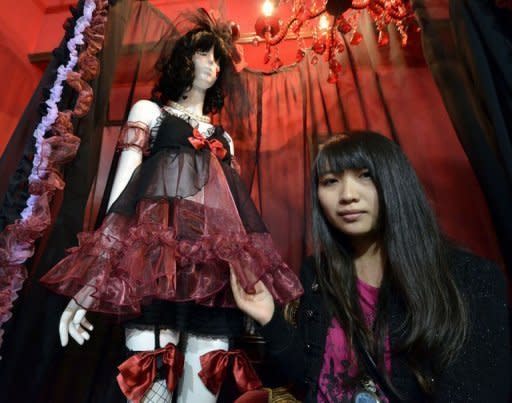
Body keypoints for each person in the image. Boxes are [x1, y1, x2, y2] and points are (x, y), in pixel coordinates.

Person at [40, 9, 302, 403]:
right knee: (152, 386)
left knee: (203, 389)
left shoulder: (224, 140)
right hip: (156, 268)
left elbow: (234, 216)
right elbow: (121, 200)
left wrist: (248, 279)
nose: (213, 65)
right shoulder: (150, 113)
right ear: (183, 59)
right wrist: (96, 276)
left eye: (218, 59)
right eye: (204, 54)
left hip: (212, 276)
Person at [231, 131, 510, 402]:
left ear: (396, 182)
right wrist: (269, 317)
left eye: (365, 176)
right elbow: (308, 374)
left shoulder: (469, 279)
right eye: (330, 181)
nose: (348, 195)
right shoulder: (318, 272)